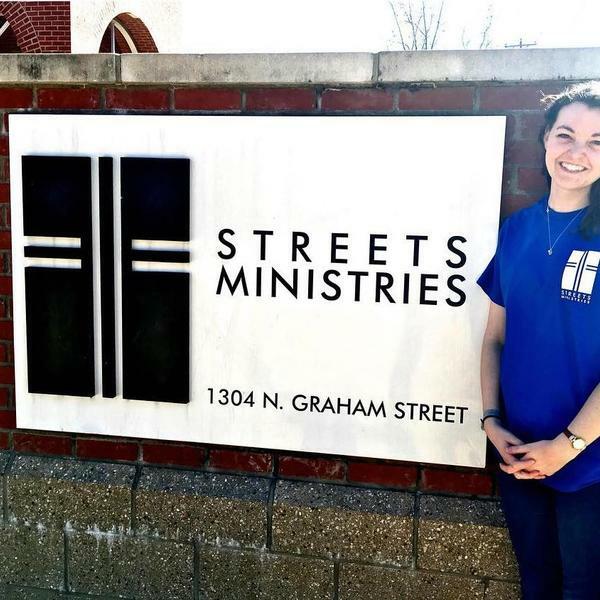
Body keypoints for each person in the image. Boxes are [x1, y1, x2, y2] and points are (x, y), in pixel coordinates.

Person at [478, 81, 600, 600]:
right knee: (538, 586)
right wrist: (491, 421)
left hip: (590, 463)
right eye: (566, 135)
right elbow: (494, 339)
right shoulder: (517, 230)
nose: (577, 152)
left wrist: (567, 446)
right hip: (520, 454)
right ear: (545, 141)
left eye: (598, 141)